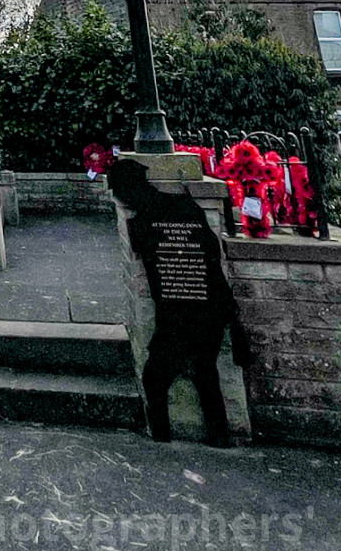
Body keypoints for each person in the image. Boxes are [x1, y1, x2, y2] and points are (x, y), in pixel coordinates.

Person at [107, 157, 250, 447]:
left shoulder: (143, 220)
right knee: (205, 373)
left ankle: (161, 435)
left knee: (156, 377)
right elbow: (211, 253)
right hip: (212, 307)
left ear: (126, 190)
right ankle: (219, 435)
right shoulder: (185, 206)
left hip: (178, 313)